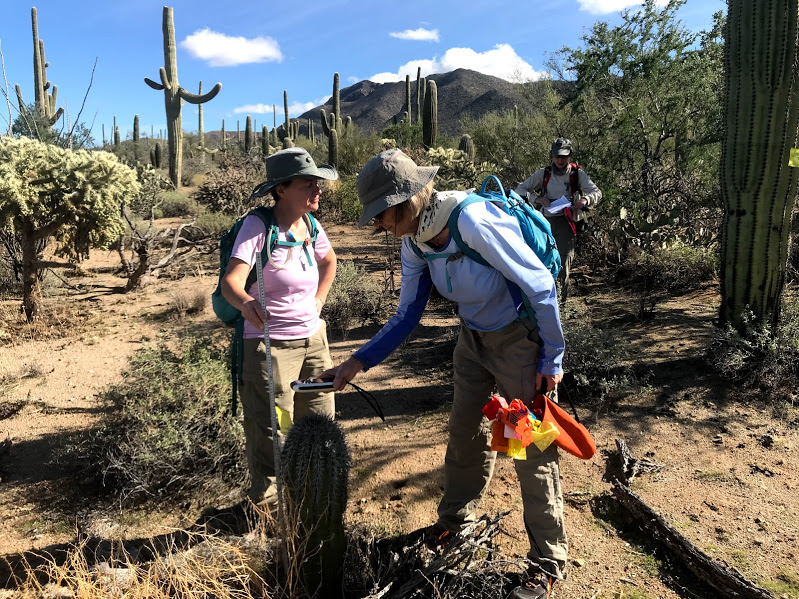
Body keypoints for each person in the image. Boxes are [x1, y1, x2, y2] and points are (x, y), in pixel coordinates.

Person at [322, 149, 567, 598]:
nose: (378, 225)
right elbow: (407, 314)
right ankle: (457, 524)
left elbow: (539, 284)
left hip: (519, 341)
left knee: (530, 447)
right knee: (466, 434)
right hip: (472, 341)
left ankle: (548, 561)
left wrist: (551, 358)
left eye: (380, 215)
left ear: (406, 200)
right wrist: (358, 362)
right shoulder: (414, 239)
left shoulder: (471, 221)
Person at [220, 147, 338, 508]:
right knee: (274, 431)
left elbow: (329, 260)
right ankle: (269, 515)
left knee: (319, 422)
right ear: (282, 189)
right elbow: (231, 282)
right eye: (308, 184)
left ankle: (315, 501)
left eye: (318, 183)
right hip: (270, 348)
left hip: (314, 342)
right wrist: (246, 303)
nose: (317, 190)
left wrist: (318, 301)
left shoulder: (310, 225)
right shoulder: (258, 226)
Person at [515, 137, 602, 308]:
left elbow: (596, 192)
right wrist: (537, 199)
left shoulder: (577, 174)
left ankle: (559, 305)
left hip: (566, 223)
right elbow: (520, 190)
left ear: (569, 156)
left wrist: (585, 200)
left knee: (563, 263)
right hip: (543, 223)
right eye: (557, 156)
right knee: (541, 261)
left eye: (563, 156)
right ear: (552, 156)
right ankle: (540, 303)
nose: (560, 160)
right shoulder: (544, 173)